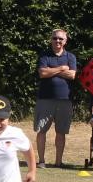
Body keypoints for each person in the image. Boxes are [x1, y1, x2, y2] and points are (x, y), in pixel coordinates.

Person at [33, 29, 77, 168]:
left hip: (65, 100)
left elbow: (72, 75)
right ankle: (41, 161)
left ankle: (58, 162)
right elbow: (42, 73)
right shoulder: (44, 55)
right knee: (41, 131)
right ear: (51, 39)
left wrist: (52, 70)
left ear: (65, 41)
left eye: (60, 39)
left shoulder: (70, 57)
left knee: (61, 132)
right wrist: (62, 68)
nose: (57, 41)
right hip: (45, 99)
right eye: (55, 38)